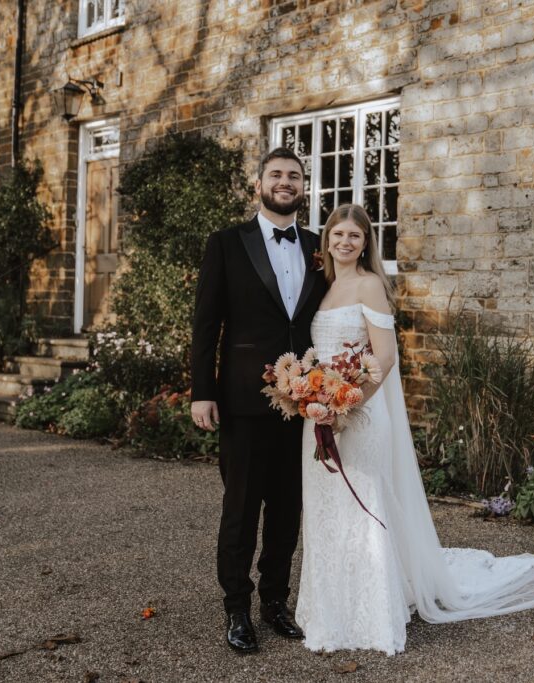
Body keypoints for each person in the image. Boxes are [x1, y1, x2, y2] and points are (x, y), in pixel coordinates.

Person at [296, 204, 534, 655]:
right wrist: (313, 400)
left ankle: (372, 614)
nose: (345, 242)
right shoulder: (322, 288)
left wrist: (345, 408)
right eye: (338, 234)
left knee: (365, 508)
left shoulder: (371, 284)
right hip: (318, 416)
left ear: (366, 243)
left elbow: (385, 358)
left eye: (354, 236)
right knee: (325, 513)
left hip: (359, 415)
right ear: (327, 240)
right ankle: (329, 608)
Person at [190, 147, 328, 653]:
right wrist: (202, 391)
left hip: (305, 402)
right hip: (244, 400)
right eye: (276, 174)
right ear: (259, 184)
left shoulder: (318, 246)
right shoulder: (226, 244)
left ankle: (275, 602)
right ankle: (237, 610)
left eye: (294, 176)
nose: (285, 182)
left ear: (303, 186)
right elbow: (206, 324)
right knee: (241, 508)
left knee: (289, 508)